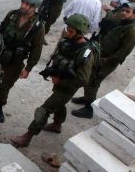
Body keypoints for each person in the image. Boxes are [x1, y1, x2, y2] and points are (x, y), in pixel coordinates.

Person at [10, 14, 97, 147]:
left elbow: (82, 80)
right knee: (59, 104)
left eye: (71, 31)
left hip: (68, 87)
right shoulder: (68, 42)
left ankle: (27, 136)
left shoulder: (86, 53)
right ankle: (57, 124)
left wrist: (60, 81)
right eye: (68, 29)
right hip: (60, 80)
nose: (67, 33)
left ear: (80, 34)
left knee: (44, 109)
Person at [71, 3, 135, 119]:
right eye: (123, 10)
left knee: (93, 81)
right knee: (89, 78)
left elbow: (124, 51)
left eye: (127, 11)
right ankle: (86, 99)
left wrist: (107, 60)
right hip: (99, 54)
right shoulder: (121, 23)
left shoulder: (133, 30)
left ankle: (89, 108)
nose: (123, 12)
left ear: (134, 14)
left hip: (107, 61)